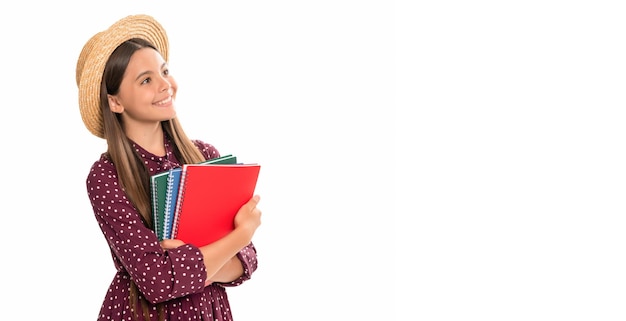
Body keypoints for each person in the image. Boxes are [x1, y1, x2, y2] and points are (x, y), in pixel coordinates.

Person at [75, 14, 262, 321]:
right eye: (146, 80)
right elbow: (158, 282)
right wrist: (239, 236)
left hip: (209, 312)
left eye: (164, 71)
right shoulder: (107, 177)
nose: (166, 85)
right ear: (115, 102)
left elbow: (247, 262)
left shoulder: (203, 155)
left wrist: (189, 262)